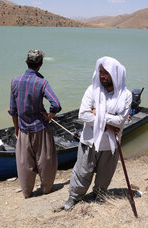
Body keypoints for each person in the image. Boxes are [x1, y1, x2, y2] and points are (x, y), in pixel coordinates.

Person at [64, 56, 132, 211]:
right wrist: (108, 125)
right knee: (82, 172)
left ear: (115, 74)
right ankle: (74, 197)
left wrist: (98, 113)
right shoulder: (92, 90)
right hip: (90, 141)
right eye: (100, 72)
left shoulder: (126, 95)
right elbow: (83, 114)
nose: (102, 75)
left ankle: (98, 195)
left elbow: (121, 121)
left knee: (105, 175)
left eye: (106, 72)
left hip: (111, 144)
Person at [8, 49, 62, 198]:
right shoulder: (42, 82)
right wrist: (50, 115)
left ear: (26, 62)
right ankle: (46, 189)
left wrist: (17, 128)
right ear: (41, 64)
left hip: (24, 129)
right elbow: (56, 104)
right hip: (40, 128)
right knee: (46, 161)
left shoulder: (15, 81)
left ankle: (27, 192)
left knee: (25, 163)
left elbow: (13, 111)